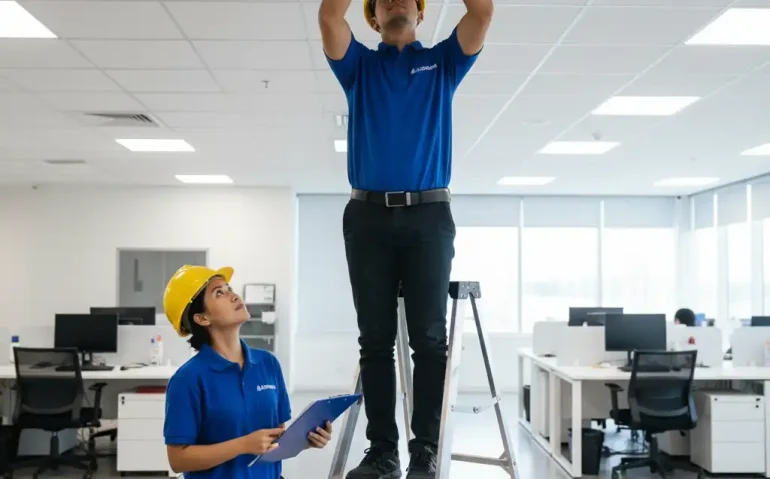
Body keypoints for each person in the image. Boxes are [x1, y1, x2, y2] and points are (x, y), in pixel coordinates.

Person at [318, 0, 493, 476]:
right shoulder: (359, 66)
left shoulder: (443, 62)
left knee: (429, 340)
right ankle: (383, 451)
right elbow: (331, 17)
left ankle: (426, 449)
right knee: (374, 341)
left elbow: (481, 13)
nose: (397, 1)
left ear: (421, 14)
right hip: (367, 216)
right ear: (372, 18)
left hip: (429, 216)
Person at [162, 265, 333, 479]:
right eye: (219, 293)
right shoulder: (187, 379)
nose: (233, 295)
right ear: (202, 318)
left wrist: (305, 440)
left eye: (229, 288)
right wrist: (242, 445)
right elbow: (178, 460)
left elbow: (276, 441)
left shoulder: (268, 363)